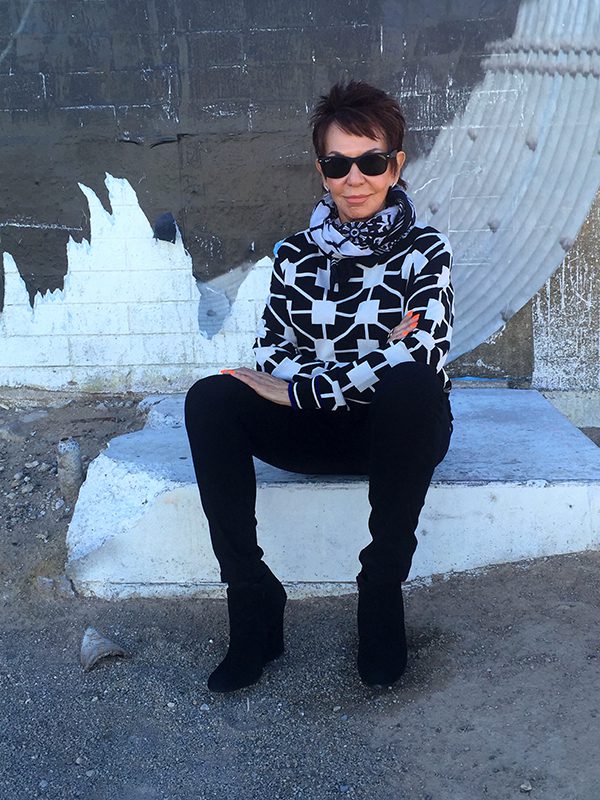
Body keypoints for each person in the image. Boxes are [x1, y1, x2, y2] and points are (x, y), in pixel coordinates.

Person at [185, 81, 454, 692]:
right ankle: (252, 598)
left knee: (412, 387)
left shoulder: (425, 253)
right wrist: (344, 371)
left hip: (395, 434)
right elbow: (276, 352)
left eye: (371, 161)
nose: (354, 178)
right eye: (338, 163)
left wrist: (309, 389)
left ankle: (380, 590)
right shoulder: (293, 257)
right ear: (322, 170)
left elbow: (416, 352)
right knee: (212, 398)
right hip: (315, 430)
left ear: (396, 166)